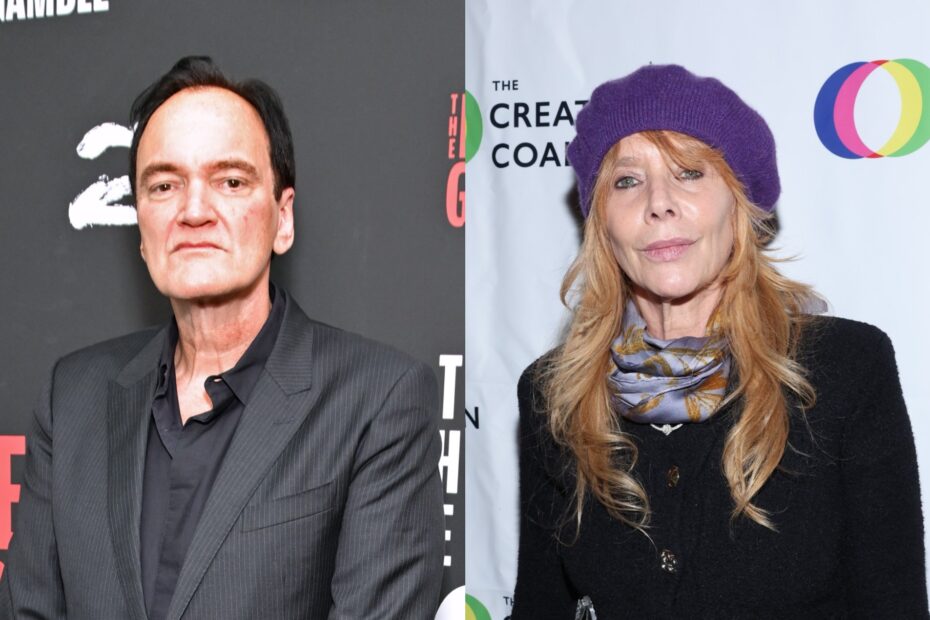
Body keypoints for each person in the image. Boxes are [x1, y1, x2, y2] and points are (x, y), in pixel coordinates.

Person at [0, 56, 444, 619]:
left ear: (283, 219)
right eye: (164, 185)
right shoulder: (72, 398)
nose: (193, 211)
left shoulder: (377, 402)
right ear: (141, 229)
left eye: (230, 181)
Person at [512, 65, 928, 619]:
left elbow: (894, 604)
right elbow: (540, 605)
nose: (659, 203)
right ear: (601, 221)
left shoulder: (844, 368)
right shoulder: (553, 391)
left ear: (740, 203)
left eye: (689, 173)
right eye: (627, 181)